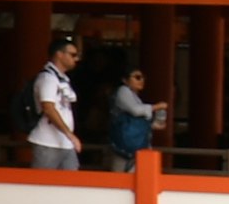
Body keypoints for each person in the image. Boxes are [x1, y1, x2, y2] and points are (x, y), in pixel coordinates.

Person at [26, 32, 86, 170]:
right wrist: (70, 134)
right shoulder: (48, 78)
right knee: (43, 184)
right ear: (59, 54)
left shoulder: (63, 78)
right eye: (72, 55)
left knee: (71, 184)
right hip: (47, 142)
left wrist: (69, 137)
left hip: (65, 142)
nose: (76, 59)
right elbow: (48, 108)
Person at [97, 55, 165, 173]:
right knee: (120, 180)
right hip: (123, 147)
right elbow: (135, 110)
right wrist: (156, 107)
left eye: (143, 77)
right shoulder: (123, 91)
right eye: (137, 77)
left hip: (137, 146)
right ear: (125, 80)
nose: (141, 80)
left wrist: (159, 115)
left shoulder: (136, 97)